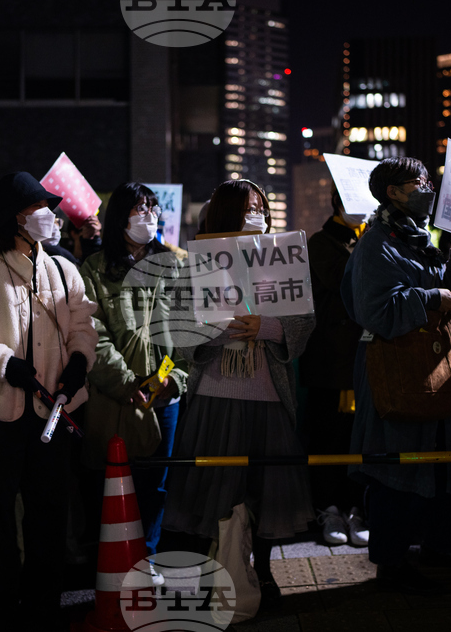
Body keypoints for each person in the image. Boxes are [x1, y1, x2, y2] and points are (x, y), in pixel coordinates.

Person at [0, 172, 97, 629]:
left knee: (49, 517)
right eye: (38, 211)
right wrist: (4, 364)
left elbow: (85, 327)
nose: (50, 217)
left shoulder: (65, 268)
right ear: (16, 219)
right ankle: (0, 607)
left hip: (52, 412)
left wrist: (79, 362)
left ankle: (45, 607)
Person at [161, 179, 315, 608]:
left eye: (262, 205)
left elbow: (303, 319)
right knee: (213, 491)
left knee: (265, 493)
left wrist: (266, 327)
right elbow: (178, 331)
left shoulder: (282, 257)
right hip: (215, 395)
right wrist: (217, 327)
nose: (259, 213)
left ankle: (259, 572)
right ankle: (210, 575)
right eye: (250, 206)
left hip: (268, 394)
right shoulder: (198, 263)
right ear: (228, 211)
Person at [341, 157, 451, 594]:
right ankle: (390, 558)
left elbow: (449, 292)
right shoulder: (376, 242)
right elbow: (375, 310)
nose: (427, 188)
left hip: (436, 361)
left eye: (427, 180)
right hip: (396, 365)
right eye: (417, 182)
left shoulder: (422, 237)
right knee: (394, 462)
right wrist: (434, 295)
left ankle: (438, 544)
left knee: (445, 455)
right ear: (392, 192)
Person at [79, 182, 187, 556]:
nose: (149, 216)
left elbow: (190, 331)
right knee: (111, 480)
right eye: (139, 209)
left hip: (164, 396)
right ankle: (112, 559)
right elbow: (93, 334)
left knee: (155, 484)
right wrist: (125, 383)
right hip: (114, 396)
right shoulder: (94, 269)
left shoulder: (175, 265)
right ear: (119, 218)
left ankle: (149, 557)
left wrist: (176, 379)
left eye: (153, 209)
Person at [299, 189, 369, 547]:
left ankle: (356, 507)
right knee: (328, 436)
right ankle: (328, 508)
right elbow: (345, 281)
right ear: (338, 204)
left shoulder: (369, 239)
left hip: (364, 361)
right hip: (330, 363)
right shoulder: (321, 241)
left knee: (360, 438)